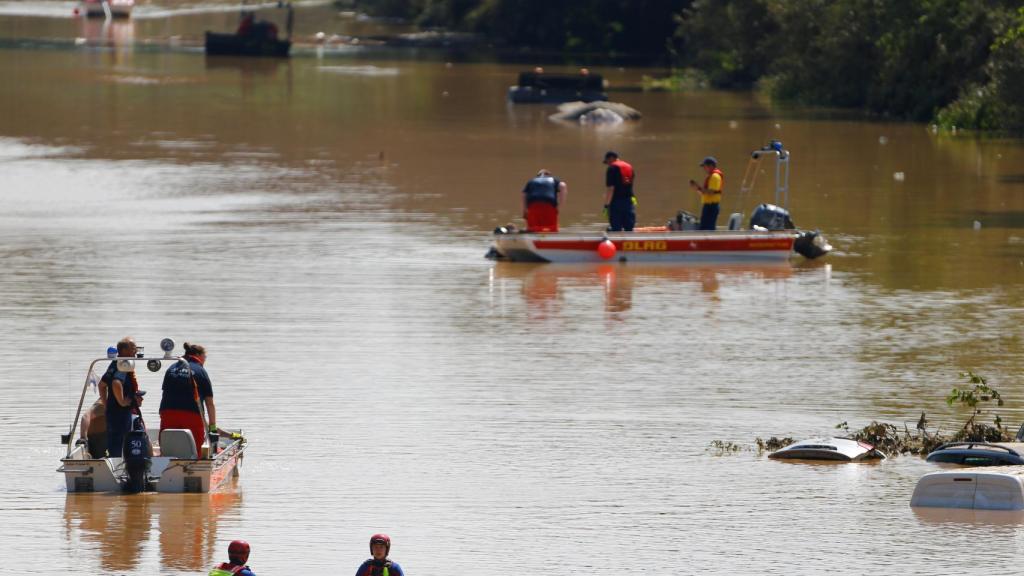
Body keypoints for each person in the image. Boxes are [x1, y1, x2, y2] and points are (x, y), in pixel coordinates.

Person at [160, 342, 216, 456]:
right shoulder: (201, 371)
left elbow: (164, 393)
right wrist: (212, 427)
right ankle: (195, 468)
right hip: (191, 415)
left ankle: (165, 467)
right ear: (199, 355)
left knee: (168, 447)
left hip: (167, 412)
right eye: (205, 357)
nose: (204, 360)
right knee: (195, 450)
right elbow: (209, 403)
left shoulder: (172, 368)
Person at [105, 337, 143, 458]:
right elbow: (116, 382)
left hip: (112, 411)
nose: (135, 351)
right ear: (124, 350)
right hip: (120, 412)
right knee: (120, 440)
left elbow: (102, 385)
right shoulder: (124, 364)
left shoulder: (115, 363)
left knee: (114, 440)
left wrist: (106, 404)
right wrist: (121, 401)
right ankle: (118, 466)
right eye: (133, 348)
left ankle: (114, 461)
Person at [603, 151, 636, 232]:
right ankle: (628, 243)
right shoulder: (629, 167)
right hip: (629, 202)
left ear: (611, 158)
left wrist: (606, 206)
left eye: (607, 162)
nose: (608, 164)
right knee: (629, 228)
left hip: (616, 203)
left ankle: (616, 244)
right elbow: (630, 185)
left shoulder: (611, 169)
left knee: (616, 228)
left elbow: (611, 189)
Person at [689, 156, 724, 231]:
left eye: (705, 166)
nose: (704, 169)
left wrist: (699, 187)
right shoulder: (711, 176)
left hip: (712, 206)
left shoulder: (715, 176)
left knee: (708, 228)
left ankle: (709, 242)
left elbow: (711, 192)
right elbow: (705, 193)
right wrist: (697, 188)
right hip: (708, 206)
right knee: (704, 227)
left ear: (711, 166)